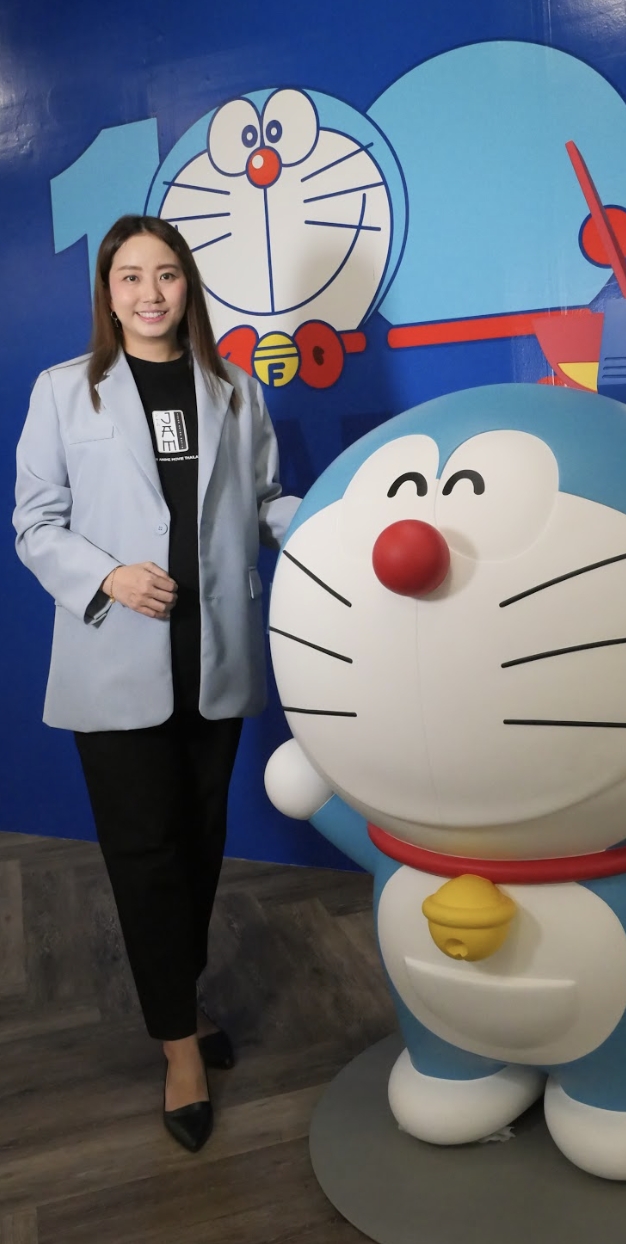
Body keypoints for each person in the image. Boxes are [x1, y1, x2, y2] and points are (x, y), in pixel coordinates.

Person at [13, 215, 300, 1153]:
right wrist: (108, 577)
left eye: (166, 275)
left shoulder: (236, 389)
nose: (149, 293)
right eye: (130, 276)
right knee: (144, 857)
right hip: (115, 659)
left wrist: (338, 518)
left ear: (188, 287)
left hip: (212, 660)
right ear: (108, 291)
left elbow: (264, 504)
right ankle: (179, 1045)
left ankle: (183, 998)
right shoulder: (64, 391)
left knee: (200, 848)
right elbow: (35, 523)